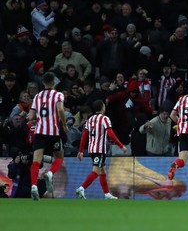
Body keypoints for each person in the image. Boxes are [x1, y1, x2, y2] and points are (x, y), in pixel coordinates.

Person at [28, 72, 68, 200]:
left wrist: (37, 119)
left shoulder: (37, 96)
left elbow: (30, 117)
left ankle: (34, 186)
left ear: (43, 82)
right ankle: (50, 173)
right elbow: (61, 110)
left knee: (36, 161)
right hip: (54, 132)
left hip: (40, 132)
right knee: (59, 158)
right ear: (54, 82)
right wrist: (65, 124)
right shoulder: (58, 95)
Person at [76, 100, 127, 199]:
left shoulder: (90, 119)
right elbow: (111, 134)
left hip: (91, 149)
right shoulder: (105, 119)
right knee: (96, 171)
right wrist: (121, 146)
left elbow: (84, 135)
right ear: (103, 108)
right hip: (99, 150)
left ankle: (107, 194)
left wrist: (81, 150)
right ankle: (81, 188)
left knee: (103, 171)